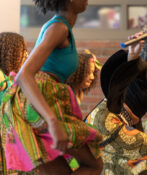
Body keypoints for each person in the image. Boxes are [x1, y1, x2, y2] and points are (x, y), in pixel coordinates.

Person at [0, 1, 103, 175]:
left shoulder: (59, 26)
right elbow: (24, 75)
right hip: (37, 104)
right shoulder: (58, 28)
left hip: (39, 101)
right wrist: (52, 121)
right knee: (94, 164)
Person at [86, 20, 147, 175]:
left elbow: (137, 114)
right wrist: (132, 56)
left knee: (118, 168)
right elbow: (117, 75)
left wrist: (142, 131)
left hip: (120, 124)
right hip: (107, 121)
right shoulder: (146, 69)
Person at [66, 50, 102, 171]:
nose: (92, 77)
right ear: (78, 71)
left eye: (93, 73)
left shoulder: (78, 93)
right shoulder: (67, 93)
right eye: (88, 73)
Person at [0, 32, 28, 175]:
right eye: (23, 51)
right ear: (11, 52)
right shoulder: (3, 80)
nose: (26, 55)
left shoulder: (12, 79)